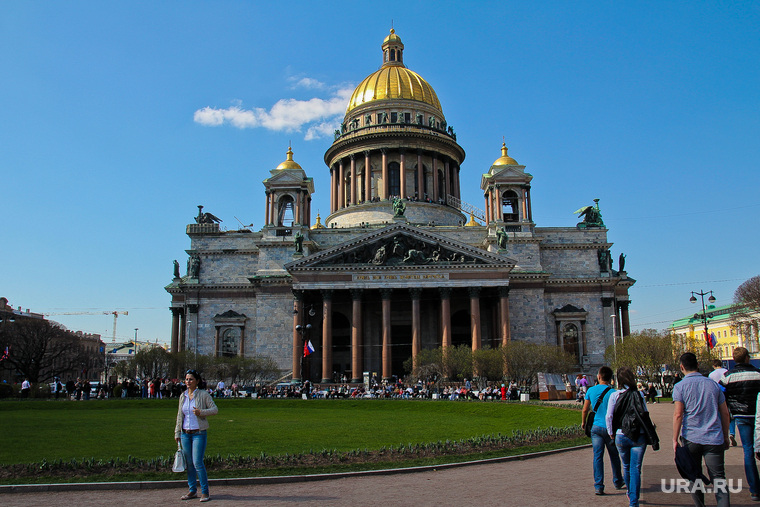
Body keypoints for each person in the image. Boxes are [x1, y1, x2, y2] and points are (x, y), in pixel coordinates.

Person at [673, 352, 731, 507]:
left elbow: (678, 414)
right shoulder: (713, 384)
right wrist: (726, 436)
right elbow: (725, 413)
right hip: (714, 437)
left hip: (691, 437)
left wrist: (674, 438)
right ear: (698, 365)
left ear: (682, 367)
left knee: (694, 476)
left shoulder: (679, 387)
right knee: (718, 478)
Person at [606, 367, 652, 507]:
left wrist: (611, 432)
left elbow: (609, 416)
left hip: (620, 434)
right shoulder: (639, 395)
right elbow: (645, 413)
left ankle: (630, 493)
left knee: (626, 466)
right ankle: (634, 500)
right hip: (638, 435)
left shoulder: (615, 395)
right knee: (636, 468)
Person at [721, 346, 760, 500]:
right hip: (757, 414)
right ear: (747, 358)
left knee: (748, 451)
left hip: (741, 416)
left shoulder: (727, 376)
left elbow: (721, 395)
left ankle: (754, 489)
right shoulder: (757, 374)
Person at [175, 369, 218, 503]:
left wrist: (201, 412)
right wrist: (177, 432)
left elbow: (214, 410)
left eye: (191, 379)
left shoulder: (203, 394)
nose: (188, 382)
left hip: (199, 433)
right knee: (189, 463)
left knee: (198, 462)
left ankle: (205, 492)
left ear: (197, 381)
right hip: (185, 434)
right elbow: (179, 416)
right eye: (187, 379)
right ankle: (192, 490)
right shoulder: (183, 396)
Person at [582, 366, 624, 496]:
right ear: (611, 379)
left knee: (598, 456)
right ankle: (617, 481)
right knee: (614, 455)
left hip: (596, 428)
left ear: (599, 377)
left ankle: (599, 486)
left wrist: (583, 422)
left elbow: (585, 409)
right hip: (610, 428)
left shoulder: (591, 390)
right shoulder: (614, 392)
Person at [709, 359, 737, 446]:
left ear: (714, 365)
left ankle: (722, 434)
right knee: (730, 415)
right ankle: (732, 433)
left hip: (717, 396)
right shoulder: (727, 371)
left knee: (719, 415)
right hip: (727, 395)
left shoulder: (711, 374)